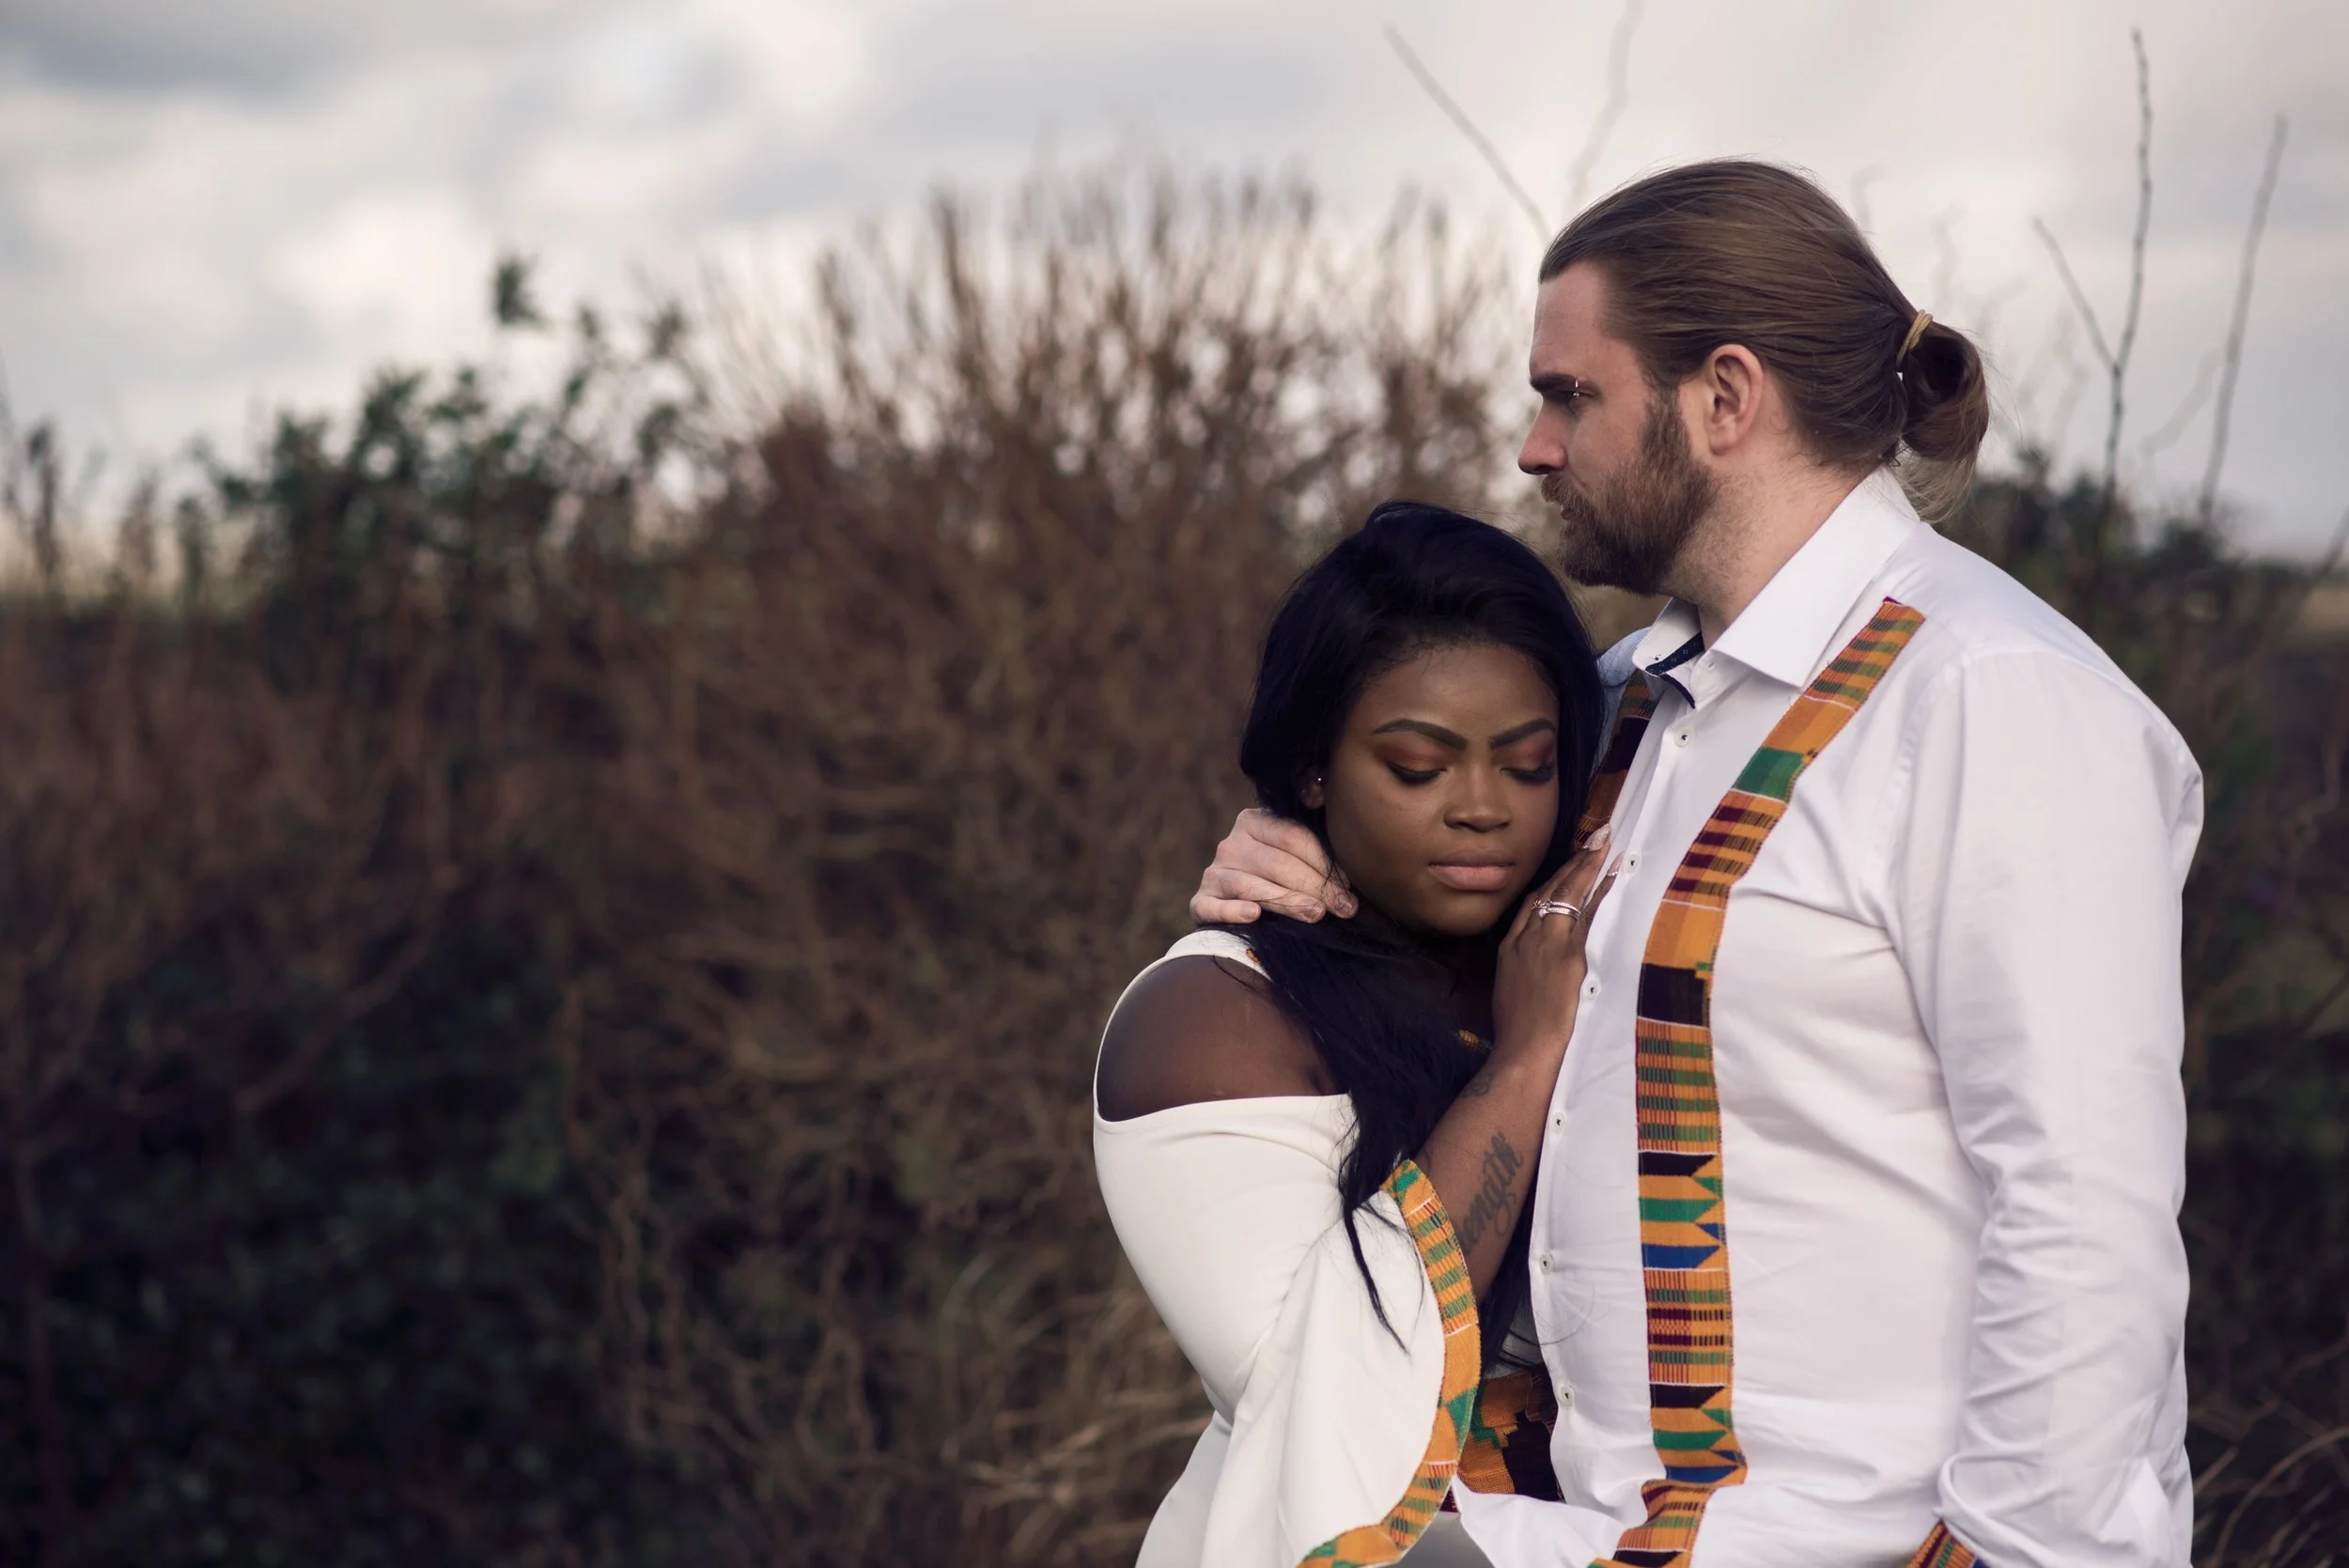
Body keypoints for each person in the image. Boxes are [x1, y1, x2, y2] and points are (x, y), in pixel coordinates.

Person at [1193, 161, 2202, 1568]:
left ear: (1724, 399)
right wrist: (1299, 850)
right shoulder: (1628, 708)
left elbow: (2083, 1203)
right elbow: (1446, 864)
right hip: (1601, 1528)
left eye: (1571, 395)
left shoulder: (1991, 697)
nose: (1536, 449)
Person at [1095, 501, 1624, 1568]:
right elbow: (1340, 1393)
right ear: (1312, 771)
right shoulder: (1206, 1027)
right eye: (1418, 768)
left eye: (1526, 765)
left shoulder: (1585, 939)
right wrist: (1523, 1064)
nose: (1481, 808)